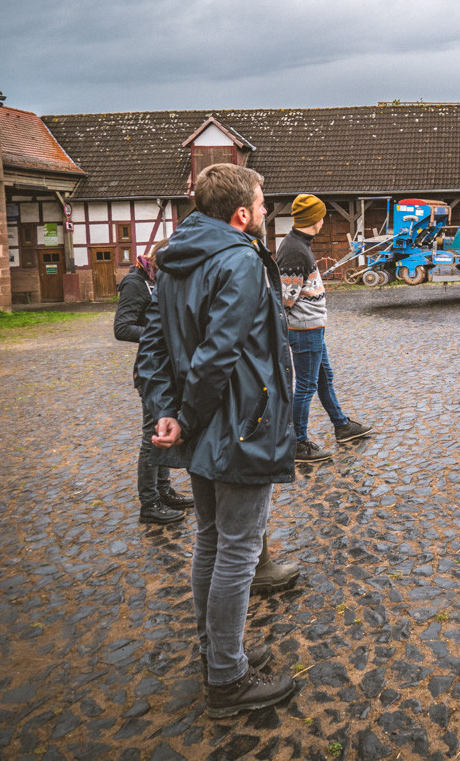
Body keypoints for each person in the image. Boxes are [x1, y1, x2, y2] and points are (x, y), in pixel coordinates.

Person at [137, 163, 296, 717]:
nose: (263, 211)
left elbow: (153, 348)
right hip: (240, 422)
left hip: (203, 424)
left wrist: (168, 413)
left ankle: (214, 652)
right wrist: (183, 412)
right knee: (238, 549)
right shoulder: (240, 257)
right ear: (242, 214)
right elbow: (218, 354)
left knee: (211, 538)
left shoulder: (175, 259)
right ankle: (227, 678)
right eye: (261, 201)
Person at [275, 193, 373, 462]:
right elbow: (284, 300)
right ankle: (298, 443)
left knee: (323, 377)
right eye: (321, 215)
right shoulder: (295, 250)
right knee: (306, 385)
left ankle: (341, 426)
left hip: (311, 328)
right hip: (304, 330)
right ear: (314, 219)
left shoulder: (299, 244)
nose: (323, 220)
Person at [114, 237, 193, 525]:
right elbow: (122, 328)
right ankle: (149, 503)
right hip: (149, 371)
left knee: (164, 431)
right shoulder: (136, 282)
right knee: (153, 437)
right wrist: (160, 332)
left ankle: (163, 490)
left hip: (165, 367)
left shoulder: (156, 279)